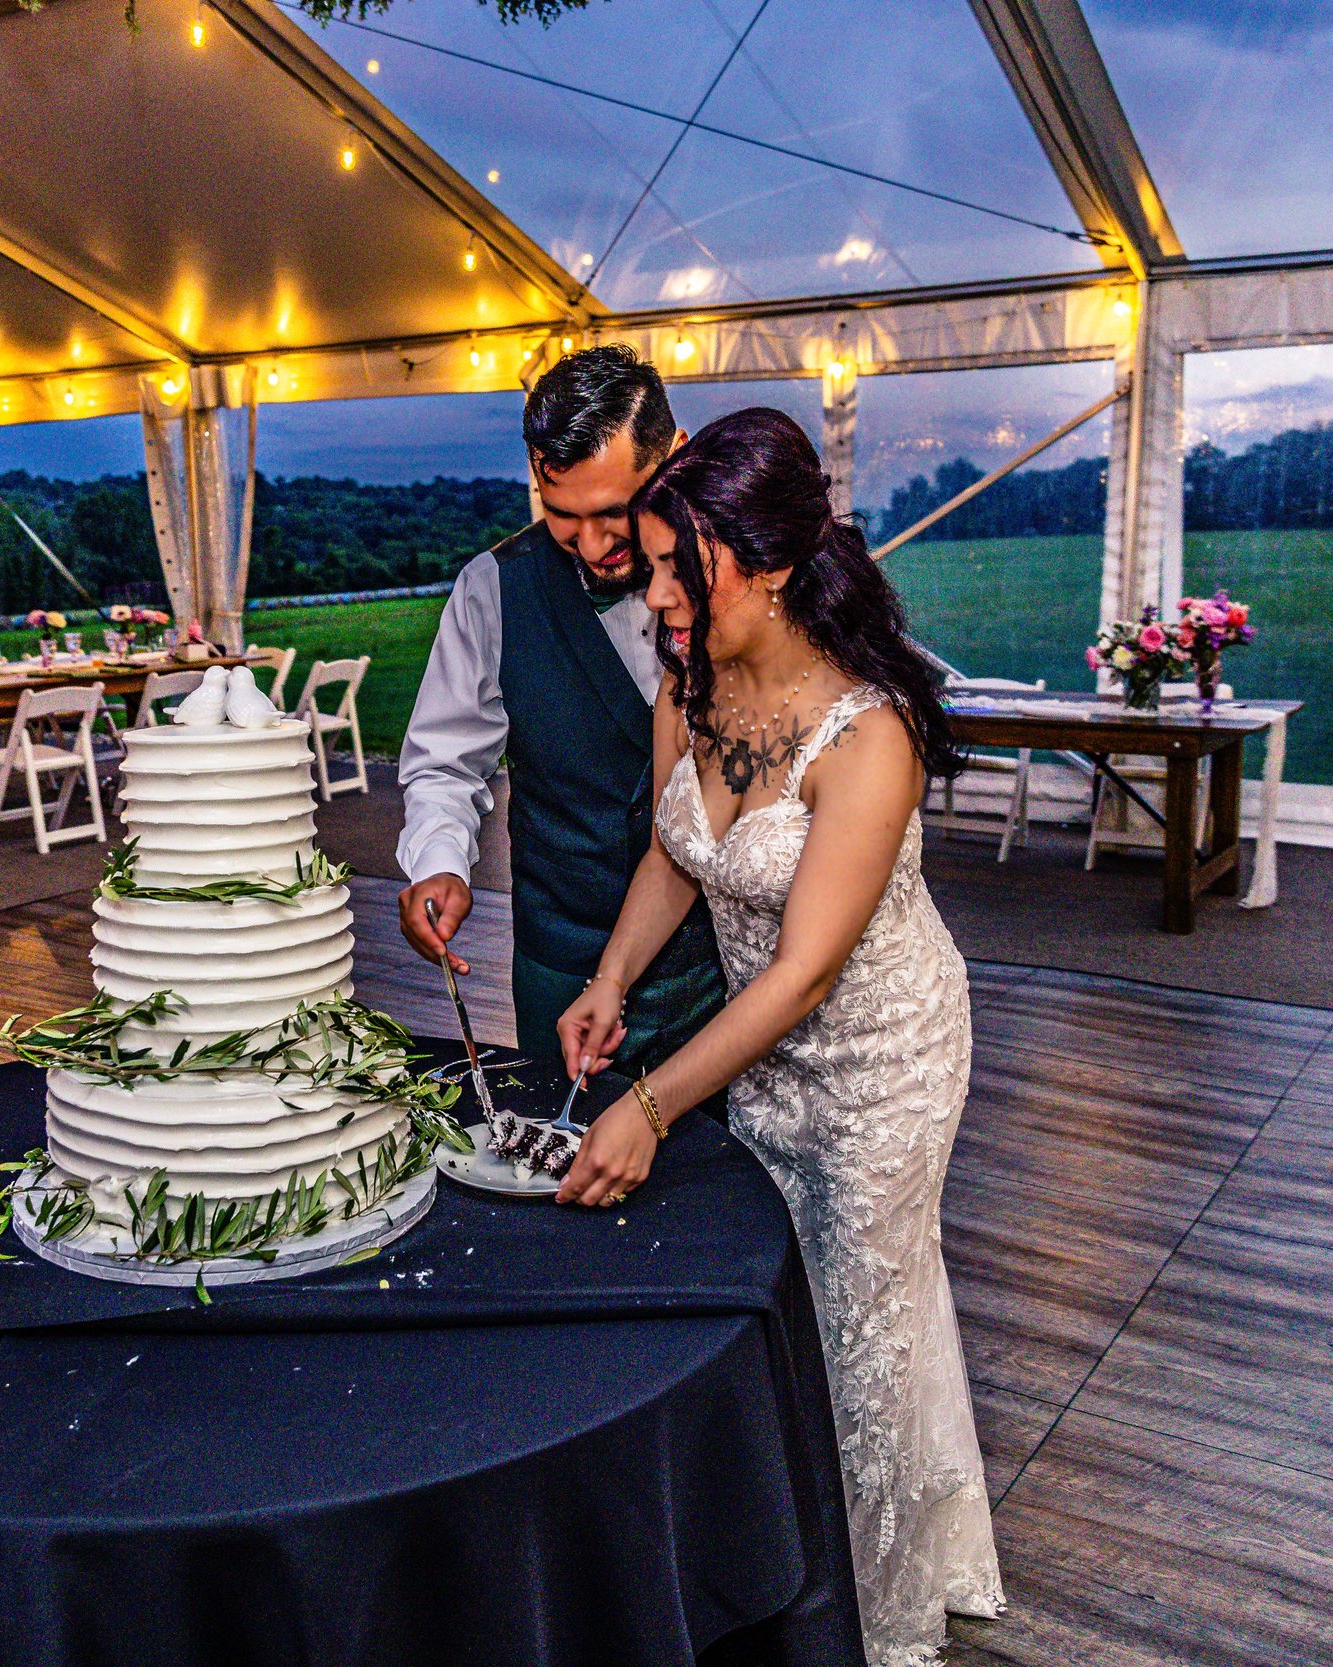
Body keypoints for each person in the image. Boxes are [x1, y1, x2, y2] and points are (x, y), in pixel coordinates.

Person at [554, 408, 1002, 1662]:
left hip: (879, 1058)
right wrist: (611, 978)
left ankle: (881, 1613)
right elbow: (673, 851)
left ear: (768, 563)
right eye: (646, 563)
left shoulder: (869, 732)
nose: (651, 593)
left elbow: (805, 971)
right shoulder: (687, 680)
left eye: (671, 567)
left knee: (863, 1323)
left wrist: (649, 1105)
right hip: (762, 1055)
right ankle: (790, 1572)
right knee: (790, 1314)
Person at [395, 346, 728, 1079]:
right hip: (561, 971)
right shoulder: (492, 590)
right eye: (561, 515)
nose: (595, 544)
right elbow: (444, 762)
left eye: (616, 511)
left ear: (676, 456)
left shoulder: (736, 579)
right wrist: (439, 862)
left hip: (723, 972)